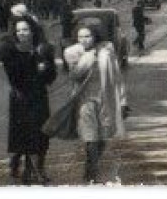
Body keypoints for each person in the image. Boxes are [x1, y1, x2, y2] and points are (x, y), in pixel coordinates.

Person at [49, 21, 128, 184]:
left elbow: (118, 77)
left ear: (95, 37)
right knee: (90, 137)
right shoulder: (74, 54)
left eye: (87, 36)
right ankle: (92, 170)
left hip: (106, 100)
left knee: (103, 138)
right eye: (80, 37)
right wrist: (85, 59)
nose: (83, 40)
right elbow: (74, 76)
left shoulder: (107, 53)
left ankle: (91, 163)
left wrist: (123, 100)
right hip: (85, 101)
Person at [0, 15, 56, 184]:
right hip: (20, 98)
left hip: (39, 97)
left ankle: (36, 167)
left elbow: (51, 77)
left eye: (25, 30)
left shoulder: (42, 50)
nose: (22, 33)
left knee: (42, 134)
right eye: (18, 31)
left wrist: (45, 68)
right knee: (24, 135)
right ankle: (29, 169)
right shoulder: (10, 52)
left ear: (33, 31)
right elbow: (13, 76)